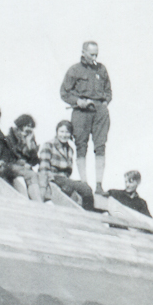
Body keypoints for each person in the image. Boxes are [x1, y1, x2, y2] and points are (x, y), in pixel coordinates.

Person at [60, 41, 112, 196]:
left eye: (96, 54)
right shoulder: (74, 70)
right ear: (83, 52)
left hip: (99, 112)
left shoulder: (101, 69)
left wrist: (104, 103)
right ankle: (84, 184)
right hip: (81, 112)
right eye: (91, 54)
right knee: (81, 145)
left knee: (100, 146)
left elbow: (109, 91)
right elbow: (64, 92)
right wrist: (78, 102)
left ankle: (98, 185)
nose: (95, 57)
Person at [38, 120, 95, 211]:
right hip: (53, 178)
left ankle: (89, 213)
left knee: (86, 188)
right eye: (61, 132)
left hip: (65, 179)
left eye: (67, 132)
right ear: (57, 132)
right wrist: (50, 185)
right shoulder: (49, 145)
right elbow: (43, 170)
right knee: (77, 189)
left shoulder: (70, 150)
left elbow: (68, 172)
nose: (64, 135)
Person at [1, 114, 43, 201]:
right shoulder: (9, 139)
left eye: (31, 127)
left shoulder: (30, 140)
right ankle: (38, 202)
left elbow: (34, 162)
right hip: (10, 167)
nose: (29, 129)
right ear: (20, 126)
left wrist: (29, 145)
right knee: (31, 175)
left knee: (37, 177)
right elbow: (7, 158)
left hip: (23, 170)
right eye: (27, 126)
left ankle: (37, 200)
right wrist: (23, 164)